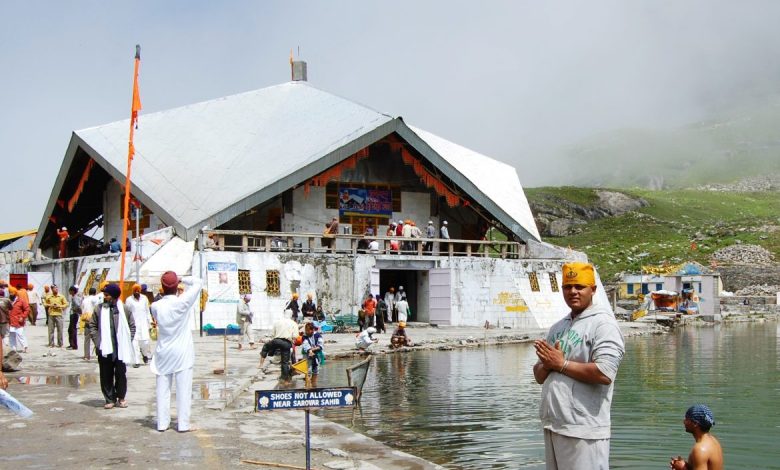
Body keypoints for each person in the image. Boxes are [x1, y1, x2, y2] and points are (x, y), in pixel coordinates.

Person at [533, 262, 625, 470]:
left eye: (579, 286)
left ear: (593, 290)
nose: (573, 291)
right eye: (567, 286)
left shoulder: (604, 325)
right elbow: (539, 375)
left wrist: (561, 364)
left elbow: (604, 372)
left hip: (584, 429)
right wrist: (548, 365)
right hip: (554, 424)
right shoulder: (558, 327)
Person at [150, 271, 202, 432]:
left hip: (164, 351)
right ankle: (183, 424)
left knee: (162, 388)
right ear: (176, 286)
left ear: (162, 287)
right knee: (183, 389)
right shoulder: (182, 302)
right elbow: (198, 282)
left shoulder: (155, 306)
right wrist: (181, 278)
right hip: (182, 351)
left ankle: (162, 423)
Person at [88, 283, 135, 409]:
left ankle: (121, 397)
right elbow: (92, 325)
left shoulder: (124, 309)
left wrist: (127, 341)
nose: (104, 297)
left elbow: (132, 326)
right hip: (104, 349)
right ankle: (109, 399)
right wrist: (98, 341)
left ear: (113, 296)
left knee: (121, 374)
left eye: (107, 295)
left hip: (120, 349)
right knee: (105, 374)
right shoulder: (99, 309)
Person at [670, 404, 723, 470]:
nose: (684, 422)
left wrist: (683, 469)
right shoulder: (714, 441)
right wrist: (685, 466)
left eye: (687, 419)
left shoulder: (700, 449)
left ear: (695, 424)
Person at [257, 314, 299, 383]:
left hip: (276, 341)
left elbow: (273, 334)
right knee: (285, 362)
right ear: (291, 316)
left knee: (265, 347)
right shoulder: (293, 323)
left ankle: (261, 364)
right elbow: (295, 336)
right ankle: (285, 380)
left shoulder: (277, 322)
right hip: (286, 343)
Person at [126, 284, 153, 367]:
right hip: (133, 325)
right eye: (135, 291)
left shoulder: (144, 298)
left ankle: (144, 355)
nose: (137, 292)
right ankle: (136, 361)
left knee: (145, 342)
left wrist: (150, 321)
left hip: (144, 324)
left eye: (138, 291)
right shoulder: (129, 300)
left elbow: (147, 311)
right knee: (134, 343)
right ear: (133, 291)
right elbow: (127, 312)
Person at [301, 322, 324, 387]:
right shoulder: (304, 336)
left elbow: (320, 346)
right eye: (306, 330)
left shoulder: (318, 335)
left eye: (308, 330)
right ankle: (307, 384)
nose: (307, 332)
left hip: (317, 354)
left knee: (316, 369)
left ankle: (314, 384)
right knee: (307, 370)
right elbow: (305, 345)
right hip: (307, 354)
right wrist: (309, 351)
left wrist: (312, 350)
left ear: (313, 330)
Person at [8, 287, 29, 353]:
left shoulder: (21, 301)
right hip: (10, 321)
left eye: (12, 293)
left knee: (20, 334)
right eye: (10, 293)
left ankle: (25, 347)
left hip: (19, 321)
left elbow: (27, 309)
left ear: (15, 294)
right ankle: (13, 349)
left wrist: (23, 317)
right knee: (11, 335)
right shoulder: (8, 301)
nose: (11, 294)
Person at [80, 287, 98, 361]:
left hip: (87, 318)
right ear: (95, 292)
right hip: (94, 319)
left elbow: (82, 309)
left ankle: (86, 356)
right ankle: (99, 353)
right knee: (96, 338)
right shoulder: (96, 299)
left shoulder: (85, 300)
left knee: (87, 339)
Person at [66, 286, 82, 350]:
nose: (69, 292)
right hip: (74, 314)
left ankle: (74, 345)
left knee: (72, 330)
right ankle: (72, 344)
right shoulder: (75, 297)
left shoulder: (75, 297)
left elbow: (78, 305)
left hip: (74, 314)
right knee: (70, 330)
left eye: (70, 291)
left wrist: (76, 310)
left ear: (72, 291)